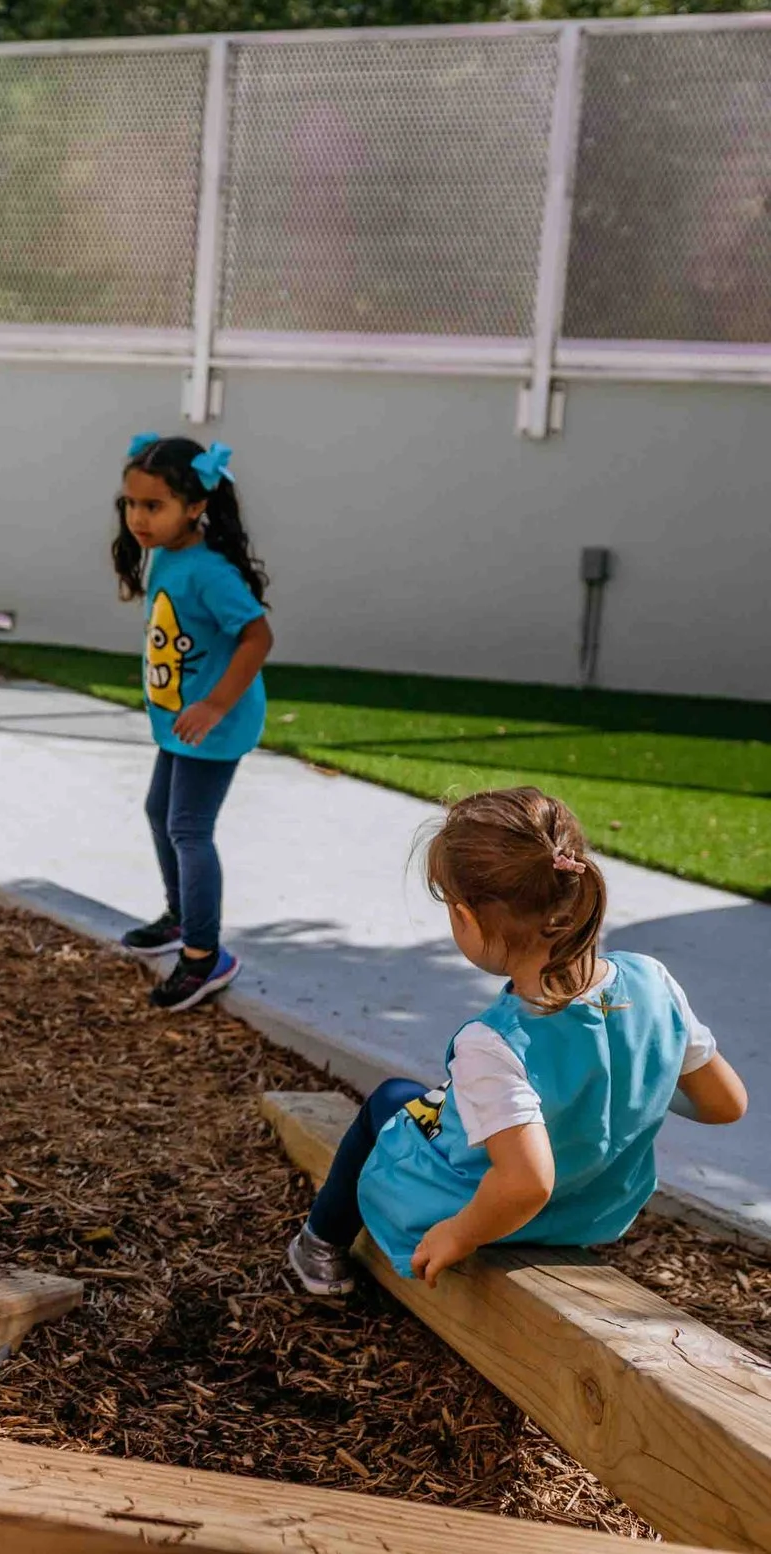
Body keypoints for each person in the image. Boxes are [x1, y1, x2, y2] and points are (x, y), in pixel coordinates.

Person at [287, 787, 747, 1294]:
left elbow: (528, 1183)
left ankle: (320, 1244)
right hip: (592, 1210)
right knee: (449, 1102)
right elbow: (725, 1103)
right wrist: (637, 1075)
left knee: (393, 1098)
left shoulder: (495, 1042)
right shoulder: (653, 983)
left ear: (465, 917)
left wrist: (458, 1234)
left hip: (481, 1211)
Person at [112, 434, 274, 1011]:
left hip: (215, 724)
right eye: (131, 504)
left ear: (196, 506)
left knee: (188, 828)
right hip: (184, 723)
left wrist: (214, 705)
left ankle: (205, 956)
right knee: (161, 813)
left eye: (153, 506)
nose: (138, 518)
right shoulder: (168, 555)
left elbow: (258, 638)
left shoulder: (209, 572)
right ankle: (181, 916)